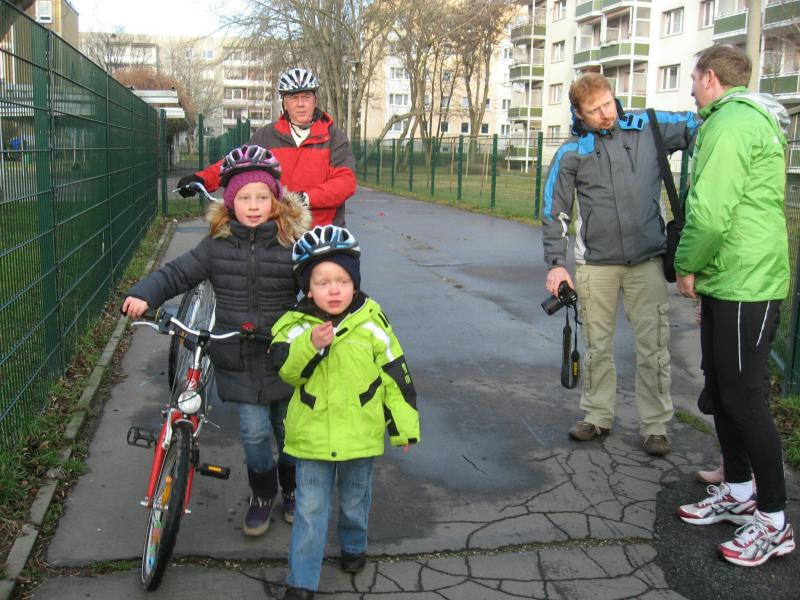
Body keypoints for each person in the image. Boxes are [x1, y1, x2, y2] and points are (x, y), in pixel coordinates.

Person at [123, 144, 310, 536]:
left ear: (276, 200)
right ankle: (263, 493)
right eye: (244, 198)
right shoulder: (216, 246)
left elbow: (318, 284)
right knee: (255, 434)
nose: (254, 206)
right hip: (237, 355)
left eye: (262, 197)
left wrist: (324, 314)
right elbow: (176, 274)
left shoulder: (292, 244)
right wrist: (144, 294)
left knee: (289, 431)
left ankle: (292, 489)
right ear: (230, 202)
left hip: (284, 354)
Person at [674, 44, 795, 567]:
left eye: (693, 79)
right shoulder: (732, 120)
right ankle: (740, 491)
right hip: (730, 279)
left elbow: (710, 214)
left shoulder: (730, 124)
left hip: (748, 281)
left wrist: (685, 265)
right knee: (723, 391)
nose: (691, 89)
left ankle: (773, 521)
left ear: (710, 78)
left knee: (745, 398)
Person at [542, 72, 699, 456]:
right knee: (596, 347)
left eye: (608, 103)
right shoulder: (571, 151)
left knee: (653, 347)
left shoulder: (648, 126)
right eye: (594, 110)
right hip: (596, 265)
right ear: (578, 114)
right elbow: (554, 209)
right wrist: (556, 263)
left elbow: (700, 124)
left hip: (647, 260)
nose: (605, 114)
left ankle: (655, 425)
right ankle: (597, 416)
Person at [269, 225, 420, 600]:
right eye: (323, 283)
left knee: (355, 500)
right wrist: (310, 344)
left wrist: (404, 426)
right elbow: (286, 370)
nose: (334, 290)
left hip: (359, 434)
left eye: (342, 281)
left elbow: (395, 375)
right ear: (307, 288)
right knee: (309, 509)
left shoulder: (372, 322)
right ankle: (302, 581)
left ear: (355, 283)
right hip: (311, 437)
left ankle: (353, 545)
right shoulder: (293, 325)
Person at [178, 67, 356, 228]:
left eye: (306, 97)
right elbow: (237, 162)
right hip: (278, 231)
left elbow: (345, 182)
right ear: (285, 103)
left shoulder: (333, 137)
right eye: (293, 98)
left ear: (315, 101)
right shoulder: (268, 135)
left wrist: (306, 198)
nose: (300, 104)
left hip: (322, 233)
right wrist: (201, 179)